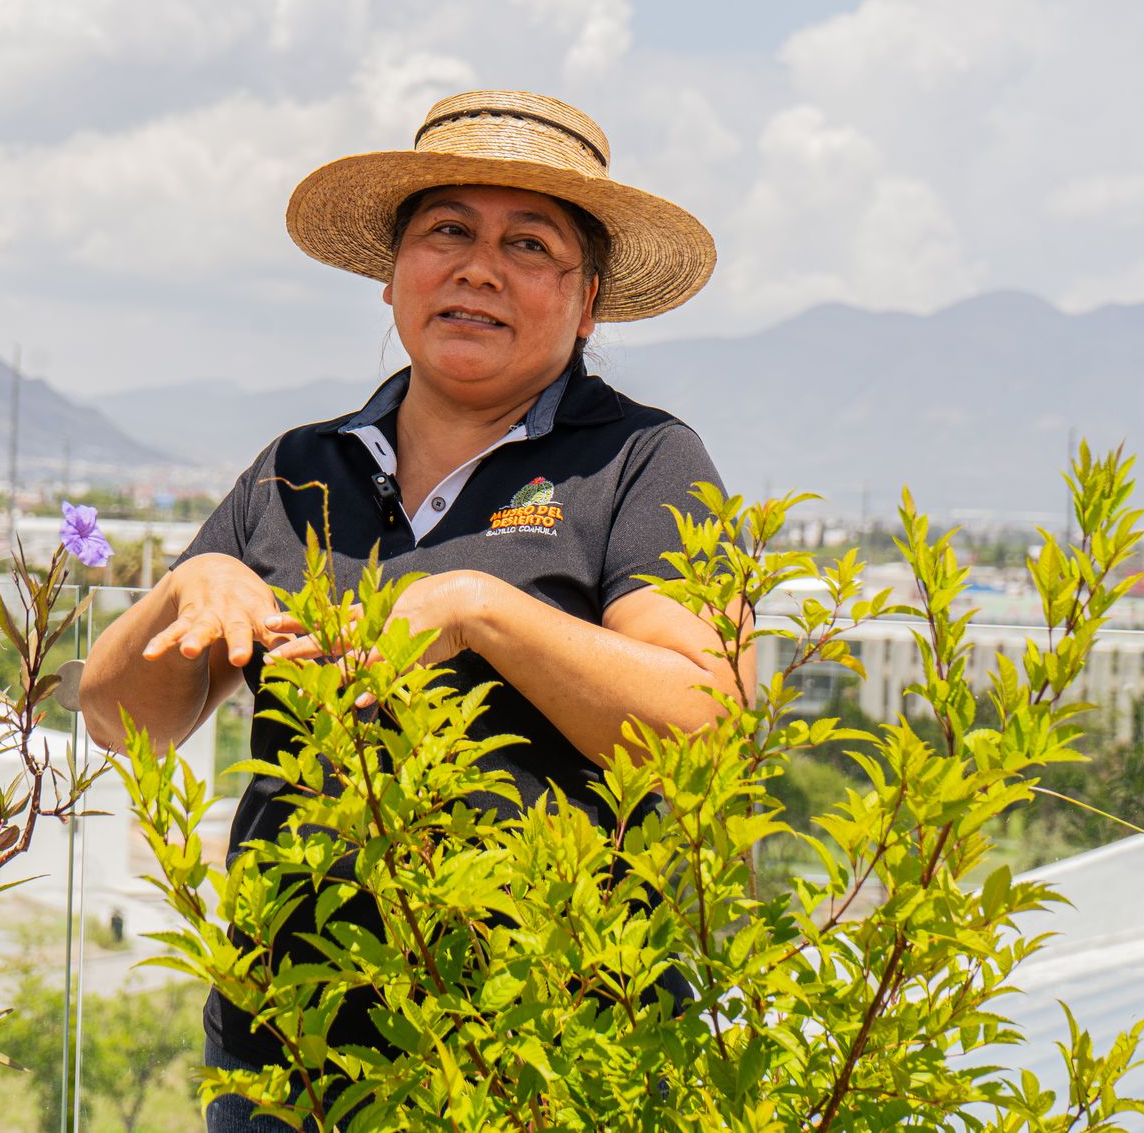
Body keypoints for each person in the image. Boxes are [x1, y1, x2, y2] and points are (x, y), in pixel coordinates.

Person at [76, 90, 752, 1130]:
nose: (478, 266)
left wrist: (479, 609)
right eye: (448, 231)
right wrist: (185, 589)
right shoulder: (298, 468)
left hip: (543, 1056)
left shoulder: (642, 461)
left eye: (528, 243)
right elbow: (123, 719)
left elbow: (705, 727)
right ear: (392, 277)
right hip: (286, 1049)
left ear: (587, 304)